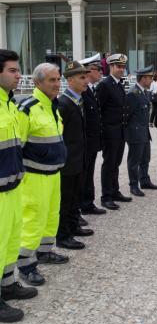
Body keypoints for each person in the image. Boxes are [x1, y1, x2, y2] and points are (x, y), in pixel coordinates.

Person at [17, 63, 68, 287]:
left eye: (58, 79)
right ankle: (26, 266)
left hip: (53, 174)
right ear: (37, 83)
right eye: (52, 80)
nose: (57, 84)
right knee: (32, 221)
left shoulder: (52, 106)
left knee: (51, 215)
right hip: (34, 177)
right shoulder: (28, 108)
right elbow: (17, 145)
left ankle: (45, 251)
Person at [0, 50, 37, 323]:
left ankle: (6, 284)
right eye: (12, 70)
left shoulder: (10, 104)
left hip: (12, 187)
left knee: (11, 242)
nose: (19, 75)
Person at [57, 61, 94, 250]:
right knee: (66, 199)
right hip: (67, 162)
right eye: (82, 77)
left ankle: (73, 226)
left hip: (78, 159)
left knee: (75, 197)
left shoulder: (78, 100)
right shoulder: (63, 103)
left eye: (86, 76)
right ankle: (63, 235)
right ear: (70, 80)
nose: (86, 80)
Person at [96, 53, 132, 210]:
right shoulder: (105, 85)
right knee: (109, 163)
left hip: (120, 130)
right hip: (110, 131)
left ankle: (115, 190)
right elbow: (99, 109)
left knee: (116, 163)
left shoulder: (118, 84)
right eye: (118, 66)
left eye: (123, 67)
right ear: (110, 67)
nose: (121, 69)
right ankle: (106, 196)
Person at [126, 65, 157, 196]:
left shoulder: (144, 92)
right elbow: (126, 115)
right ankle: (133, 185)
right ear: (143, 78)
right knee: (134, 161)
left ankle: (144, 181)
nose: (151, 80)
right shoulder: (132, 94)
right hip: (135, 133)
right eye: (150, 78)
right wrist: (130, 133)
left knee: (145, 158)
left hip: (144, 132)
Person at [79, 54, 106, 215]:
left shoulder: (90, 90)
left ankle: (88, 203)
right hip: (85, 143)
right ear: (88, 71)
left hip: (92, 142)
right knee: (82, 175)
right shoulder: (82, 93)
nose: (101, 72)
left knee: (89, 174)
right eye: (98, 69)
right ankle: (81, 205)